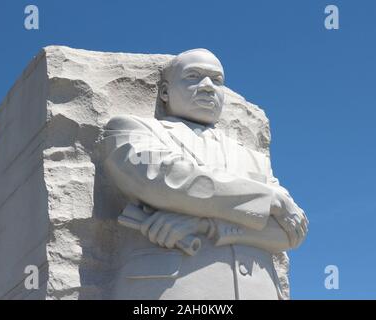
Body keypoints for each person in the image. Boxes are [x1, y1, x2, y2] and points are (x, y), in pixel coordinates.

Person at [101, 48, 308, 299]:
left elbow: (290, 233)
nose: (209, 86)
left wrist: (205, 224)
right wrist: (270, 200)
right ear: (165, 91)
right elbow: (167, 180)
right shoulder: (133, 129)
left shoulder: (254, 158)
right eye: (194, 76)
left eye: (217, 80)